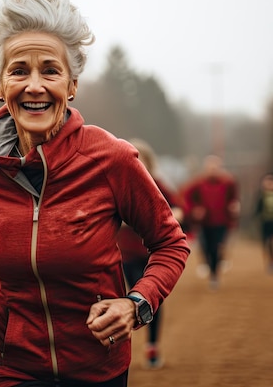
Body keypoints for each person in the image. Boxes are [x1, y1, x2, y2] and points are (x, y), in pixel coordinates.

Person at [0, 0, 191, 387]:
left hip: (99, 365)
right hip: (10, 364)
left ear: (72, 84)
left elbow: (170, 243)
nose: (34, 85)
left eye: (50, 70)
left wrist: (137, 305)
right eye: (18, 71)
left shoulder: (112, 159)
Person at [116, 138, 184, 370]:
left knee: (150, 301)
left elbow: (176, 209)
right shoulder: (116, 183)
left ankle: (152, 346)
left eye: (139, 157)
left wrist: (166, 220)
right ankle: (118, 351)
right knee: (124, 299)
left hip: (151, 253)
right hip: (123, 254)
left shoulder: (156, 184)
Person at [182, 155, 239, 290]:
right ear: (206, 169)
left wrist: (234, 206)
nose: (213, 170)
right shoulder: (198, 183)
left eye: (215, 167)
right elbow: (186, 197)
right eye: (210, 168)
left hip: (222, 221)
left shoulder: (228, 182)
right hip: (204, 222)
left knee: (217, 247)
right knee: (206, 247)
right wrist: (194, 209)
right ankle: (210, 266)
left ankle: (214, 275)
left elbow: (234, 198)